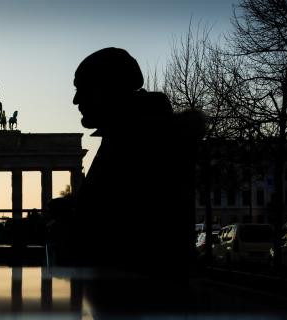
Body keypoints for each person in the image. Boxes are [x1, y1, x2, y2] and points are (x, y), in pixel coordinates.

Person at [57, 47, 202, 275]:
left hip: (135, 291)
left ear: (108, 89)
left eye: (82, 89)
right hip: (142, 290)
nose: (76, 100)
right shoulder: (136, 133)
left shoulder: (136, 140)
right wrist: (75, 204)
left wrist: (74, 212)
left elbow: (116, 223)